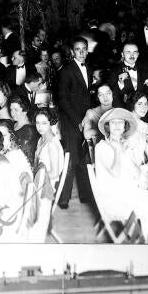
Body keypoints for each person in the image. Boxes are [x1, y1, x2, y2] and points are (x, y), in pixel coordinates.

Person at [95, 108, 148, 236]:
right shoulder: (101, 147)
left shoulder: (123, 144)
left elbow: (136, 172)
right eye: (113, 122)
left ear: (125, 126)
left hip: (125, 192)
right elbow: (116, 174)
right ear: (107, 126)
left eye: (120, 122)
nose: (117, 126)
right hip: (113, 199)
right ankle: (147, 240)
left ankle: (147, 237)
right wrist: (117, 151)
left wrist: (129, 153)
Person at [56, 36, 92, 208]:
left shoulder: (89, 68)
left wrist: (88, 119)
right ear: (72, 52)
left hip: (86, 120)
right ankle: (63, 198)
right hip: (72, 122)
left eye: (84, 49)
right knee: (70, 158)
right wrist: (78, 121)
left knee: (85, 157)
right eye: (78, 49)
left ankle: (85, 195)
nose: (82, 52)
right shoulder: (66, 70)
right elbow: (63, 100)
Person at [34, 108, 65, 189]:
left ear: (51, 123)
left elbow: (54, 174)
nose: (40, 127)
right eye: (37, 123)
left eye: (44, 123)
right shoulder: (41, 139)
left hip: (46, 187)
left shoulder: (52, 144)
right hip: (39, 182)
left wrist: (35, 177)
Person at [9, 95, 40, 168]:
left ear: (25, 111)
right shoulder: (15, 124)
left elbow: (24, 157)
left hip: (23, 167)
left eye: (16, 110)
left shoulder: (29, 131)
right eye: (11, 109)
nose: (12, 113)